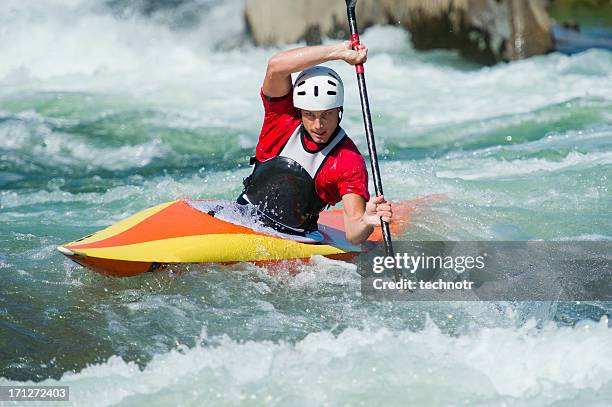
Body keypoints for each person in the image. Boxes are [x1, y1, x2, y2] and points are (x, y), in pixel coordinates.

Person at [238, 40, 392, 245]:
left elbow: (354, 233)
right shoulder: (281, 119)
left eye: (327, 114)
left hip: (295, 238)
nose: (318, 125)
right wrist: (338, 52)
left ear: (340, 111)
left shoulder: (348, 160)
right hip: (242, 214)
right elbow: (276, 66)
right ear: (299, 111)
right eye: (310, 115)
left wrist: (366, 221)